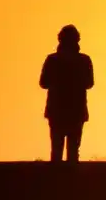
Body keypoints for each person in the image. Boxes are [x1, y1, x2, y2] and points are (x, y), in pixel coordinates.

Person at [39, 24, 94, 162]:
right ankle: (71, 181)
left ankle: (57, 181)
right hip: (76, 110)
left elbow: (43, 83)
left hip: (57, 109)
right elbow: (89, 83)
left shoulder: (52, 59)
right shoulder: (84, 60)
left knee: (56, 149)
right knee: (73, 151)